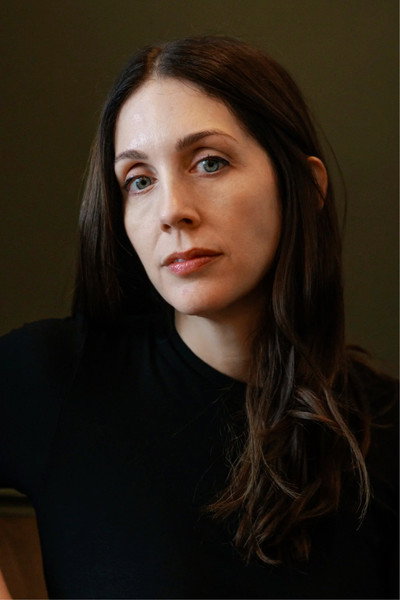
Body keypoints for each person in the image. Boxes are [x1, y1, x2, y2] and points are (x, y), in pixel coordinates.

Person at [0, 36, 397, 599]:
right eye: (139, 180)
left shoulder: (386, 429)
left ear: (306, 187)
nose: (171, 211)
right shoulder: (56, 377)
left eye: (210, 162)